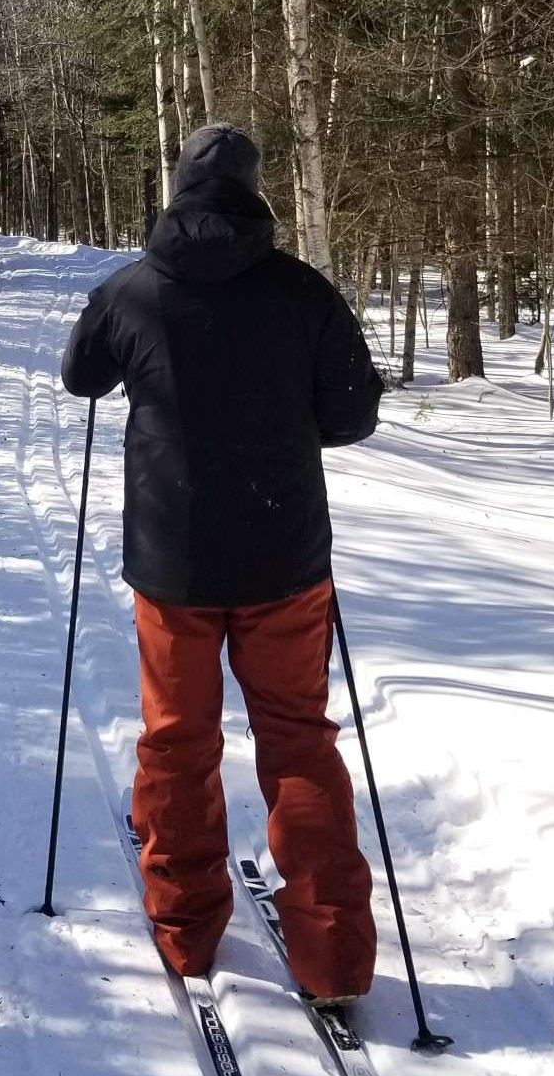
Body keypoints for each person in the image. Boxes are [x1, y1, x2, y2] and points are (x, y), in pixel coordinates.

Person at [61, 122, 384, 1005]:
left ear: (176, 191)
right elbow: (352, 415)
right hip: (285, 557)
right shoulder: (302, 292)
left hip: (173, 564)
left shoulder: (134, 289)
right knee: (297, 741)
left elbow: (80, 377)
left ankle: (186, 930)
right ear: (254, 192)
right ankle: (334, 958)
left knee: (177, 739)